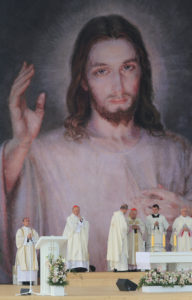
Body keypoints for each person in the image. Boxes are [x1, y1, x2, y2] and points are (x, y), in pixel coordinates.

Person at [1, 14, 192, 282]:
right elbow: (8, 212)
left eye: (127, 68)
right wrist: (20, 145)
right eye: (101, 71)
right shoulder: (45, 154)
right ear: (83, 80)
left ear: (142, 71)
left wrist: (187, 214)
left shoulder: (176, 152)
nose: (118, 86)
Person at [63, 205, 89, 272]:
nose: (76, 212)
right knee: (74, 252)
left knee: (81, 252)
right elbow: (72, 228)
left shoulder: (82, 218)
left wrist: (81, 221)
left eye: (77, 210)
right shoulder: (69, 218)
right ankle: (73, 266)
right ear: (72, 211)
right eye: (75, 210)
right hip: (73, 240)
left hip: (80, 239)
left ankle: (81, 266)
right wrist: (80, 223)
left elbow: (86, 226)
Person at [15, 217, 39, 285]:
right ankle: (23, 281)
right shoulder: (20, 231)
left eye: (28, 221)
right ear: (23, 222)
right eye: (26, 221)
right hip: (23, 252)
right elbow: (18, 241)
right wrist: (26, 238)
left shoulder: (33, 231)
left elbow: (37, 239)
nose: (27, 222)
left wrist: (32, 238)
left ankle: (30, 281)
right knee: (23, 264)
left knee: (31, 264)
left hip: (31, 252)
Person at [107, 204, 129, 271]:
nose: (126, 212)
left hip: (114, 238)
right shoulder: (121, 216)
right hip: (120, 238)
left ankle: (115, 267)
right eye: (126, 210)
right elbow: (124, 228)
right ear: (125, 209)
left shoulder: (114, 216)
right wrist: (128, 228)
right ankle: (121, 268)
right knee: (121, 251)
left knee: (115, 251)